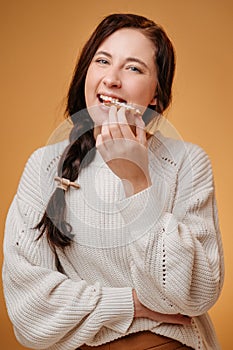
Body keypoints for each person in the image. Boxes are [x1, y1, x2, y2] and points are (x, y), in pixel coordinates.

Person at [2, 13, 224, 350]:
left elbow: (193, 295)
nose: (112, 78)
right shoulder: (44, 165)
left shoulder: (185, 162)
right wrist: (132, 304)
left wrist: (137, 182)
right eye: (102, 61)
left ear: (155, 95)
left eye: (134, 68)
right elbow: (30, 310)